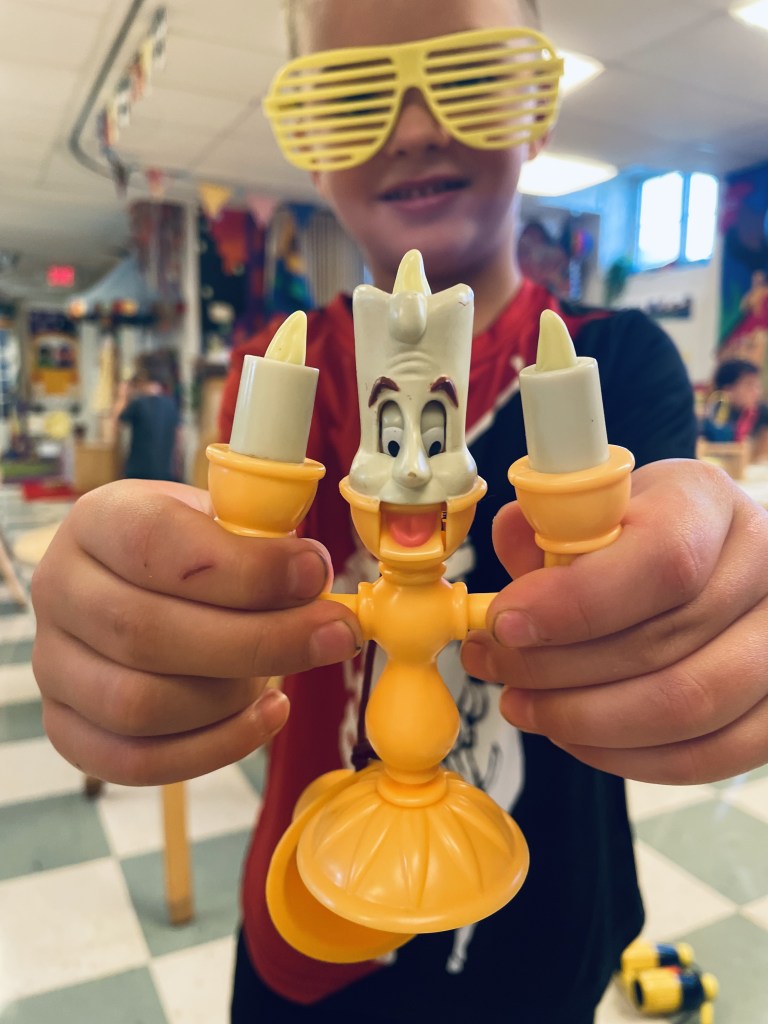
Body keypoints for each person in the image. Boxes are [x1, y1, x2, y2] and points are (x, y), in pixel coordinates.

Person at [29, 1, 768, 1022]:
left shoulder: (614, 366)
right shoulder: (280, 376)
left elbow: (668, 539)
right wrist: (133, 606)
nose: (415, 127)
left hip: (541, 920)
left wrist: (714, 586)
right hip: (312, 906)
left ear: (535, 107)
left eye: (468, 76)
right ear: (312, 144)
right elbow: (212, 567)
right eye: (352, 95)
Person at [113, 353, 181, 481]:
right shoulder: (171, 404)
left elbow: (116, 424)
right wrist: (176, 468)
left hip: (138, 471)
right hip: (164, 472)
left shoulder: (138, 403)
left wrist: (122, 396)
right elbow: (178, 439)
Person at [702, 358, 768, 458]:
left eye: (757, 386)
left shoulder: (760, 411)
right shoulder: (715, 415)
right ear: (728, 389)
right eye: (749, 385)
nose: (757, 392)